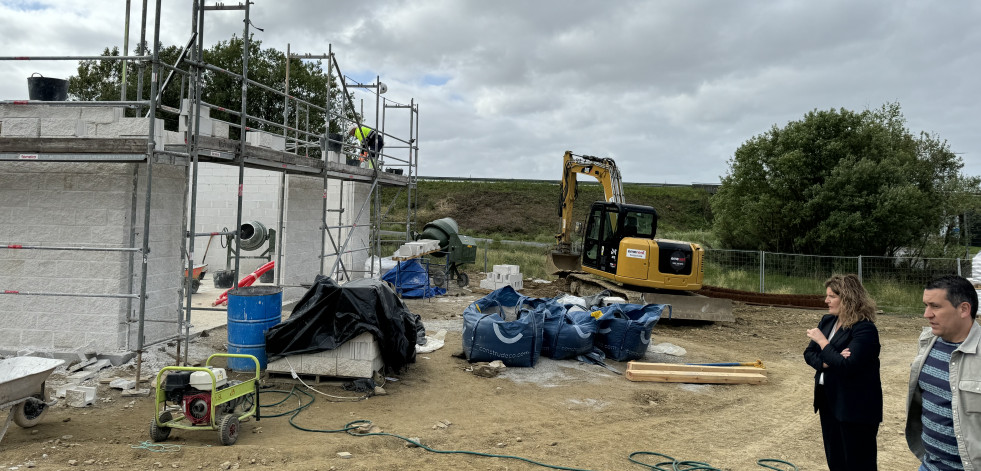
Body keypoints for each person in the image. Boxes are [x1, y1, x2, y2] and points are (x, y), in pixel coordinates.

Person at [804, 273, 882, 470]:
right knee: (836, 459)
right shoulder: (828, 321)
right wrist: (829, 361)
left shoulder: (864, 329)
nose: (826, 300)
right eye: (827, 295)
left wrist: (823, 342)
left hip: (854, 407)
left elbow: (848, 367)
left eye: (832, 296)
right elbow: (808, 354)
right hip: (828, 400)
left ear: (847, 298)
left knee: (858, 463)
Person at [906, 274, 981, 470]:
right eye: (926, 305)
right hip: (929, 464)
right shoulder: (927, 342)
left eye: (935, 306)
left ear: (964, 309)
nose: (927, 314)